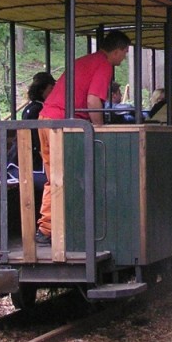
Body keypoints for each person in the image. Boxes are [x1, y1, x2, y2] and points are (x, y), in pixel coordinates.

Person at [35, 30, 131, 245]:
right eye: (124, 53)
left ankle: (47, 228)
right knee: (70, 173)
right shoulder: (103, 64)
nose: (124, 58)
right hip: (62, 123)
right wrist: (98, 128)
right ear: (116, 51)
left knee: (54, 175)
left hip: (46, 118)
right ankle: (67, 227)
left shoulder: (85, 60)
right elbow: (92, 101)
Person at [6, 71, 55, 179]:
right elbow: (37, 140)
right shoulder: (38, 110)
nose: (54, 92)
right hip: (27, 165)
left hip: (19, 161)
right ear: (42, 90)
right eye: (51, 88)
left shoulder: (32, 107)